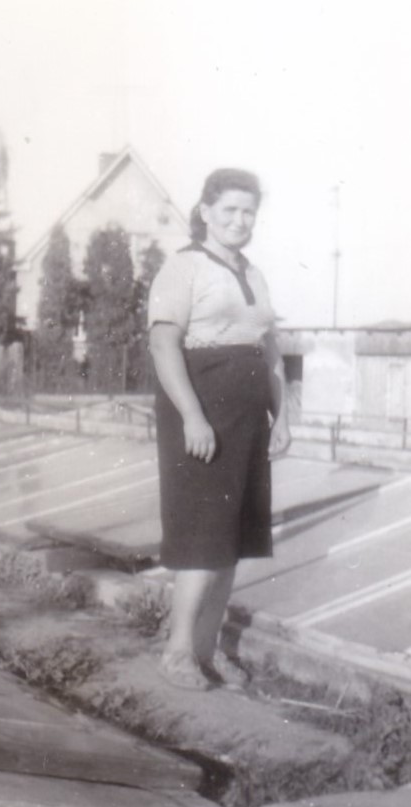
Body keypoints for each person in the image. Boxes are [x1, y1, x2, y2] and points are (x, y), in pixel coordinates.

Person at [147, 167, 291, 690]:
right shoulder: (183, 267)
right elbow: (163, 344)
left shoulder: (254, 273)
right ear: (205, 212)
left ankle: (206, 651)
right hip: (201, 413)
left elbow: (270, 350)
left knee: (232, 539)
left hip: (248, 419)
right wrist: (192, 416)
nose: (239, 220)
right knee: (203, 537)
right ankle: (177, 653)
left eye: (249, 211)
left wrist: (282, 416)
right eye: (229, 209)